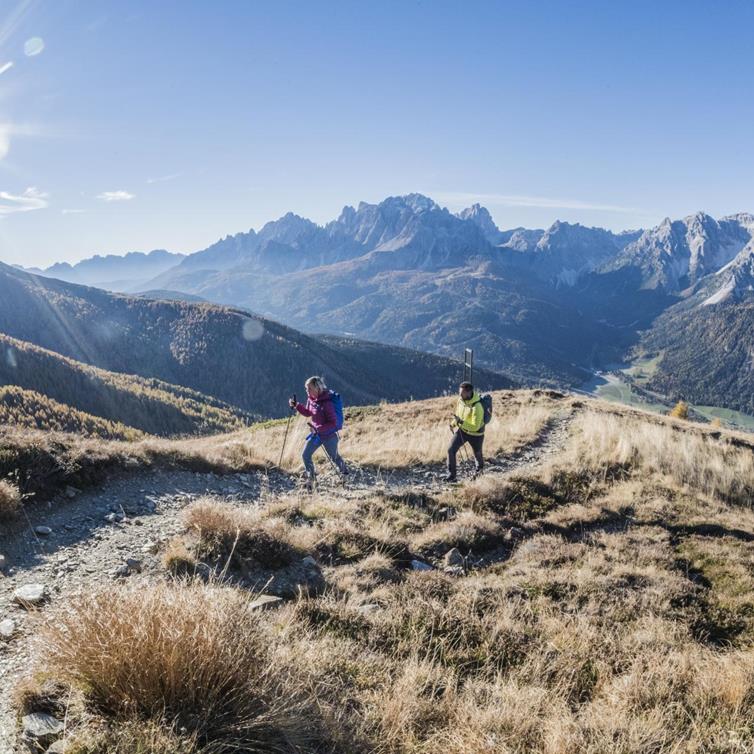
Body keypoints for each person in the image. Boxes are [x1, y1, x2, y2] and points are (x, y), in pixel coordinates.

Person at [289, 376, 348, 490]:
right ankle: (312, 480)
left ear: (317, 388)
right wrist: (296, 405)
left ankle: (344, 474)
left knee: (334, 456)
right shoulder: (311, 399)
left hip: (329, 435)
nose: (307, 391)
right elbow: (308, 413)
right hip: (316, 434)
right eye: (306, 389)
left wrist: (318, 429)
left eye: (309, 388)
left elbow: (333, 423)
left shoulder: (327, 403)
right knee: (305, 455)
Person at [445, 381, 484, 482]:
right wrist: (453, 423)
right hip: (463, 431)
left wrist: (461, 422)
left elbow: (475, 426)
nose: (460, 395)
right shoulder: (460, 401)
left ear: (469, 392)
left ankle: (479, 474)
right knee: (450, 450)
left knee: (477, 454)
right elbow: (458, 414)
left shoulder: (477, 406)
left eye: (462, 393)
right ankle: (452, 476)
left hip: (476, 434)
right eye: (459, 392)